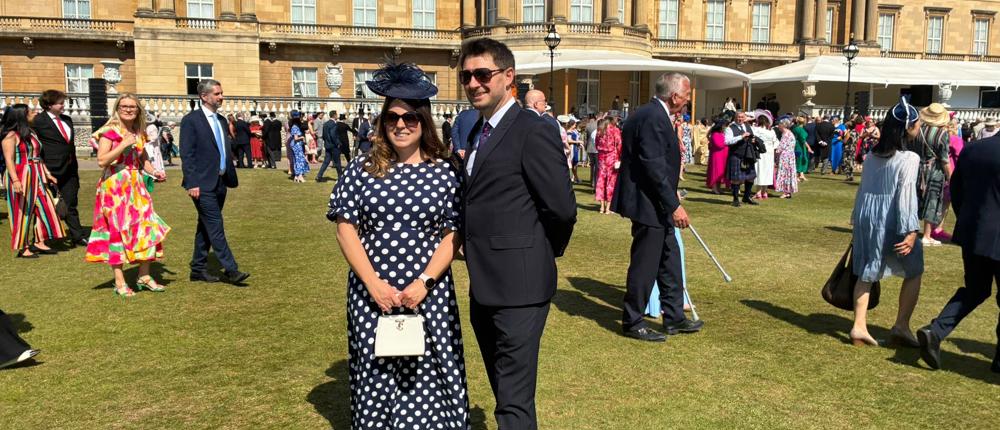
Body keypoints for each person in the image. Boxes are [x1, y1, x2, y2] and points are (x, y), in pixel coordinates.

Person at [327, 61, 470, 428]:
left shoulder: (446, 170)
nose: (401, 125)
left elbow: (453, 233)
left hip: (428, 290)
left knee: (432, 369)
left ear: (424, 121)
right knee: (375, 371)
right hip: (371, 290)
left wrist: (424, 282)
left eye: (409, 118)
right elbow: (346, 228)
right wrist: (373, 284)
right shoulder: (362, 168)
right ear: (382, 121)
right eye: (392, 118)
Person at [459, 37, 577, 429]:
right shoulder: (478, 131)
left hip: (522, 286)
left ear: (508, 77)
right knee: (505, 390)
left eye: (482, 74)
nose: (474, 83)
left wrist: (540, 251)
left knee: (512, 402)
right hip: (485, 284)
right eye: (466, 76)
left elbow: (561, 208)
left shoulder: (532, 129)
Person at [613, 72, 702, 343]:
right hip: (648, 203)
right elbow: (652, 165)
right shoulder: (651, 116)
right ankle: (633, 320)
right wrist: (673, 205)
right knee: (645, 264)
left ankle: (674, 316)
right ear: (674, 96)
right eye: (686, 98)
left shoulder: (653, 114)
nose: (687, 103)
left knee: (670, 260)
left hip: (656, 203)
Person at [917, 125, 1000, 374]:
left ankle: (936, 331)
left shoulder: (973, 149)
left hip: (973, 231)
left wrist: (966, 218)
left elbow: (956, 189)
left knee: (975, 289)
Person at [848, 98, 924, 347]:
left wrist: (855, 219)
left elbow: (864, 190)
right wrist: (911, 229)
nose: (920, 128)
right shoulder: (909, 158)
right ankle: (901, 324)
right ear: (907, 128)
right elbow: (906, 195)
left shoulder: (872, 155)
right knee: (914, 270)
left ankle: (859, 325)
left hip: (867, 216)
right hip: (891, 217)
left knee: (867, 269)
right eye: (918, 124)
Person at [85, 94, 170, 298]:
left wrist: (154, 171)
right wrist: (123, 144)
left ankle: (144, 276)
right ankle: (119, 280)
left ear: (138, 110)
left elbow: (143, 158)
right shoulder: (109, 132)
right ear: (117, 108)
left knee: (145, 227)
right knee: (117, 231)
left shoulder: (138, 131)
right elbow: (102, 160)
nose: (128, 109)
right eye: (124, 106)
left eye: (132, 106)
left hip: (136, 185)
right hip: (114, 186)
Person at [180, 79, 249, 285]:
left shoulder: (219, 120)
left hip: (220, 181)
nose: (221, 97)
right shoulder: (191, 120)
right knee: (215, 224)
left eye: (221, 93)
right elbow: (187, 154)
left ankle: (198, 268)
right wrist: (192, 182)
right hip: (201, 184)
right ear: (204, 96)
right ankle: (231, 270)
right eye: (217, 94)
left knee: (206, 226)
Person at [2, 104, 64, 258]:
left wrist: (48, 173)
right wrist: (15, 180)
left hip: (37, 174)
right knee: (21, 211)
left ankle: (40, 240)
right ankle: (23, 247)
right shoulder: (10, 136)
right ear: (22, 116)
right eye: (30, 112)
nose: (35, 112)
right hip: (20, 175)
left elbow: (38, 156)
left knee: (46, 206)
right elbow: (9, 160)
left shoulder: (31, 133)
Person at [32, 89, 86, 247]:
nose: (64, 105)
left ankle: (78, 236)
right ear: (49, 105)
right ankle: (42, 237)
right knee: (45, 204)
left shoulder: (67, 120)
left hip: (70, 169)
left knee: (70, 203)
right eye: (60, 103)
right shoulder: (38, 121)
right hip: (50, 169)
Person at [914, 103, 952, 247]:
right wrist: (950, 177)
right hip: (934, 170)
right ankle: (927, 235)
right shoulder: (941, 134)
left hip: (916, 168)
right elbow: (944, 159)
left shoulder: (917, 130)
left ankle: (910, 231)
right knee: (932, 200)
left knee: (914, 199)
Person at [725, 111, 759, 207]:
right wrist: (741, 137)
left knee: (751, 177)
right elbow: (727, 141)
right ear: (735, 118)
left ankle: (746, 197)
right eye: (738, 117)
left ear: (745, 118)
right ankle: (735, 199)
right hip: (736, 155)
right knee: (736, 179)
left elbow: (752, 137)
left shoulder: (748, 126)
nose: (740, 119)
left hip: (748, 155)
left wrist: (753, 140)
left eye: (742, 117)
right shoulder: (730, 128)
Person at [594, 118, 621, 214]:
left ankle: (602, 207)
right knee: (611, 182)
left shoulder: (599, 131)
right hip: (612, 158)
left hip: (601, 157)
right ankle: (608, 208)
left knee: (601, 181)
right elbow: (619, 145)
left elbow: (596, 145)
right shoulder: (615, 130)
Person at [751, 110, 776, 199]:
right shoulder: (771, 131)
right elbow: (776, 142)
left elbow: (752, 139)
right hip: (770, 151)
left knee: (760, 170)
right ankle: (764, 192)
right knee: (767, 171)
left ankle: (758, 192)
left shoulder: (756, 129)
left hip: (760, 151)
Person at [774, 116, 798, 198]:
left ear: (783, 125)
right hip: (789, 156)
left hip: (786, 156)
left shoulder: (786, 134)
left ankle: (786, 191)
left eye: (779, 125)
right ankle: (787, 191)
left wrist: (775, 152)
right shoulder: (789, 133)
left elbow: (781, 147)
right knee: (788, 173)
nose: (778, 126)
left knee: (785, 173)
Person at [705, 117, 730, 194]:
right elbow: (719, 145)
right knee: (716, 171)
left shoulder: (722, 134)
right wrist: (727, 143)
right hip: (717, 156)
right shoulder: (715, 134)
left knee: (721, 173)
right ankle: (714, 188)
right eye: (724, 126)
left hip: (723, 156)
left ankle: (719, 188)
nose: (725, 127)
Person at [316, 110, 341, 182]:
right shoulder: (333, 124)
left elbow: (324, 135)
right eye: (336, 115)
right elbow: (333, 135)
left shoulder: (326, 123)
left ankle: (319, 175)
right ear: (334, 115)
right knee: (337, 162)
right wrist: (338, 143)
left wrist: (327, 142)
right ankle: (341, 177)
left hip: (327, 145)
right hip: (334, 146)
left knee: (326, 162)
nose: (337, 116)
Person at [286, 111, 310, 183]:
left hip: (295, 145)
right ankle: (300, 176)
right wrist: (302, 137)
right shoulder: (295, 127)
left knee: (296, 160)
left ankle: (296, 176)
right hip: (297, 145)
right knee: (299, 160)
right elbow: (296, 138)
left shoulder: (293, 126)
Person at [792, 116, 811, 182]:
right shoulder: (800, 130)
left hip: (798, 146)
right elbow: (803, 140)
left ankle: (801, 174)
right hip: (799, 146)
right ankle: (796, 176)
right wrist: (809, 147)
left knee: (802, 159)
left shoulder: (796, 129)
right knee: (799, 160)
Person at [585, 114, 599, 186]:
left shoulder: (587, 125)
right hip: (596, 147)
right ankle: (594, 182)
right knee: (596, 166)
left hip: (590, 147)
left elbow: (586, 138)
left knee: (592, 165)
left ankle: (591, 181)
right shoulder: (598, 124)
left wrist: (585, 147)